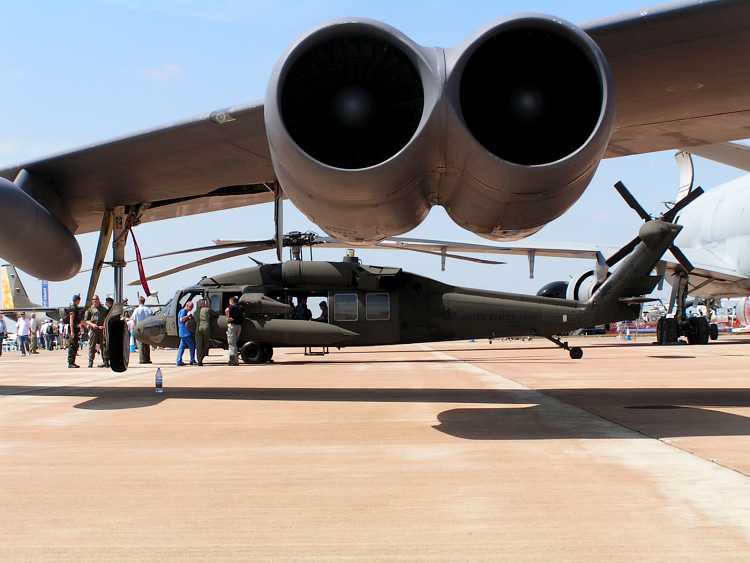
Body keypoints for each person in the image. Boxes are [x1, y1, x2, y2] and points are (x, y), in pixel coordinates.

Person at [84, 295, 109, 368]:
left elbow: (107, 319)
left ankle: (105, 361)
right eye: (93, 299)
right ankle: (90, 362)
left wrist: (104, 326)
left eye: (96, 299)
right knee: (92, 346)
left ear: (99, 300)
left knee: (103, 346)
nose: (95, 300)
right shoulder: (90, 309)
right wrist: (92, 324)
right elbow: (86, 320)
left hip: (102, 330)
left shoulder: (104, 309)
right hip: (93, 330)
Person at [131, 296, 153, 364]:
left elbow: (133, 320)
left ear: (139, 301)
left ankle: (142, 359)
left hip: (139, 328)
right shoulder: (148, 309)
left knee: (140, 344)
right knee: (147, 344)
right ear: (144, 301)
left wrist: (133, 328)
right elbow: (151, 318)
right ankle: (147, 359)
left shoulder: (136, 310)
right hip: (147, 328)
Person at [176, 301, 196, 366]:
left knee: (181, 347)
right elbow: (181, 319)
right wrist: (188, 316)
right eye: (190, 307)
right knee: (192, 346)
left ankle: (179, 361)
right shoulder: (183, 311)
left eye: (192, 308)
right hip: (185, 332)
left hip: (182, 332)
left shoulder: (182, 311)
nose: (191, 309)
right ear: (187, 306)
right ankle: (192, 360)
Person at [67, 294, 84, 368]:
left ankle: (72, 362)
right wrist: (72, 332)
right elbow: (71, 320)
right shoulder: (73, 308)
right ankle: (70, 363)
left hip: (75, 330)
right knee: (72, 346)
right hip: (73, 330)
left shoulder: (75, 308)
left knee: (75, 346)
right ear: (77, 300)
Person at [225, 296, 243, 366]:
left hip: (232, 326)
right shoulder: (240, 307)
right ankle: (236, 360)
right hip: (239, 326)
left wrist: (228, 317)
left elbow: (226, 310)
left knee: (232, 344)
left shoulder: (231, 307)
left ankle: (233, 361)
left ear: (231, 301)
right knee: (235, 343)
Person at [195, 298, 213, 367]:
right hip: (206, 328)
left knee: (198, 345)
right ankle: (203, 356)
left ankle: (199, 361)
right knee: (205, 344)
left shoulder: (195, 312)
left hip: (198, 329)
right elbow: (215, 314)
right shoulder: (207, 309)